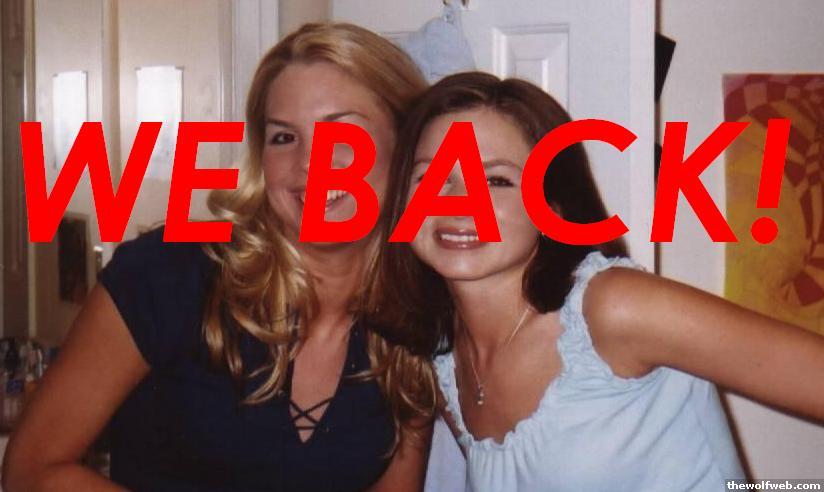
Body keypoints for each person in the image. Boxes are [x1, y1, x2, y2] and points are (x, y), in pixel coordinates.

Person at [3, 23, 438, 492]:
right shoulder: (165, 275)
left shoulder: (419, 315)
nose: (310, 163)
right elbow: (31, 471)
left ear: (406, 146)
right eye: (284, 137)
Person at [371, 72, 824, 491]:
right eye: (431, 176)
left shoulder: (612, 307)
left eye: (496, 181)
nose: (456, 202)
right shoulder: (445, 354)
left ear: (554, 206)